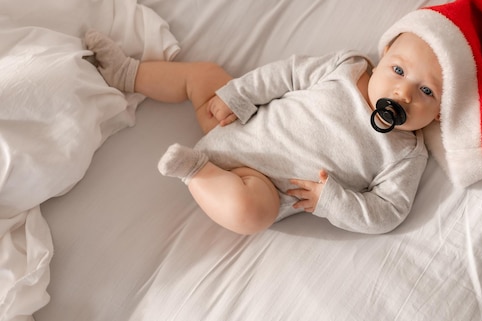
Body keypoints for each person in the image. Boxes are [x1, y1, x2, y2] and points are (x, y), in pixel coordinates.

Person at [83, 28, 442, 235]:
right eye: (398, 70)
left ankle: (196, 171)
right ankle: (127, 73)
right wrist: (239, 94)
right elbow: (284, 75)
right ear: (385, 52)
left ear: (442, 111)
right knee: (205, 76)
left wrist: (331, 201)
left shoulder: (406, 152)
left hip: (259, 181)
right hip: (237, 121)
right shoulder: (348, 67)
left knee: (250, 213)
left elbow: (388, 212)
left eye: (427, 91)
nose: (404, 93)